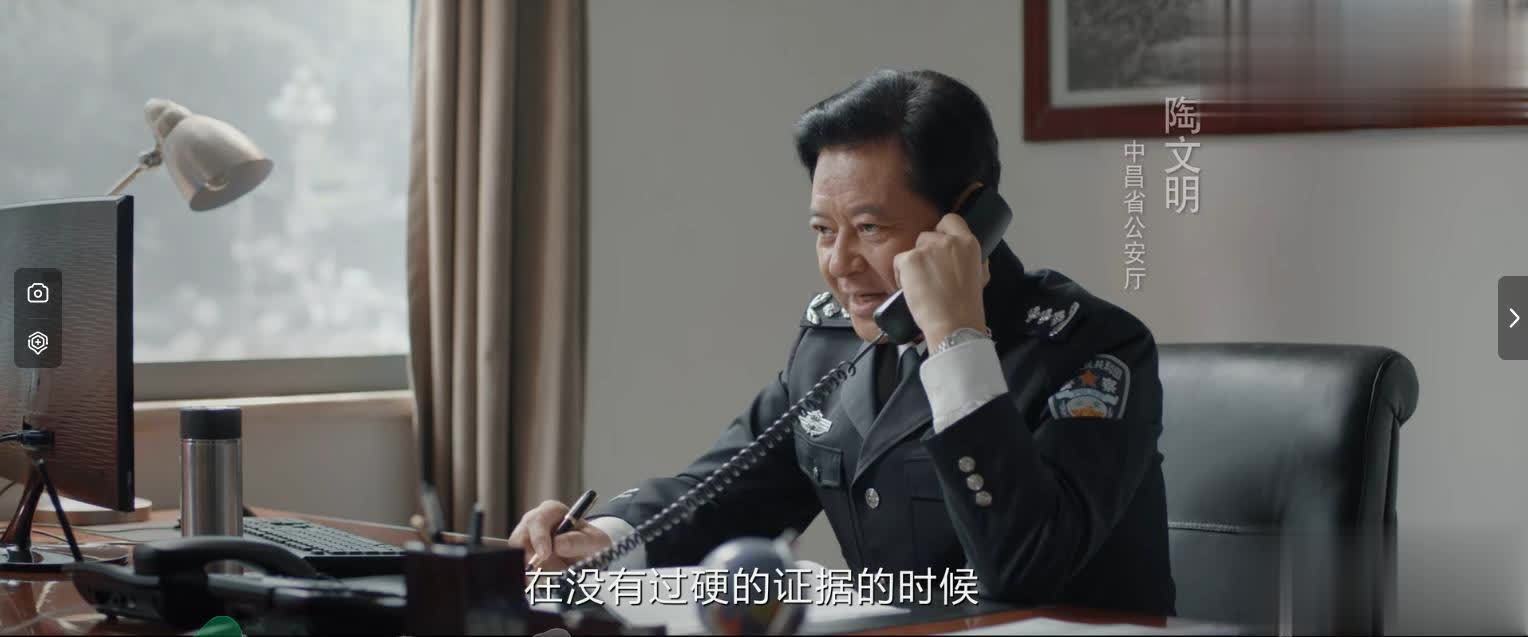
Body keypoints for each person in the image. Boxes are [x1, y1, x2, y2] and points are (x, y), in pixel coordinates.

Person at [509, 69, 1176, 615]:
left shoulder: (1093, 351)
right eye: (824, 231)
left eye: (869, 228)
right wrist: (605, 538)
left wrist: (957, 341)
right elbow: (728, 490)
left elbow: (1024, 569)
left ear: (966, 221)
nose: (839, 262)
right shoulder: (832, 344)